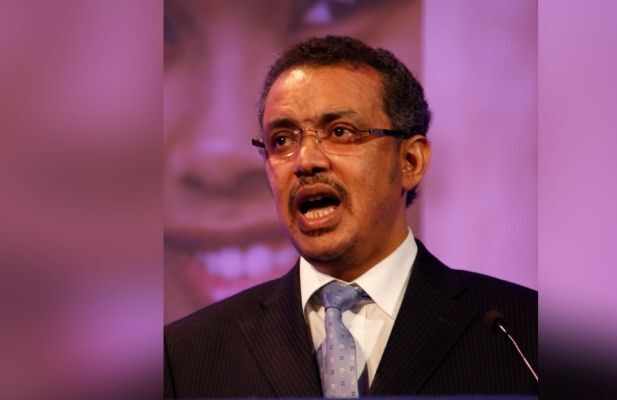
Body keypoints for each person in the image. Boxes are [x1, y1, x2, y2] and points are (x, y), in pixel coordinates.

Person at [164, 36, 537, 398]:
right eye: (282, 140)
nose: (305, 161)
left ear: (410, 161)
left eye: (340, 132)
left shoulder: (522, 334)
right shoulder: (186, 358)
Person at [163, 0, 424, 323]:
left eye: (335, 7)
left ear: (411, 159)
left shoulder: (487, 323)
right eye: (162, 30)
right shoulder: (186, 345)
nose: (221, 159)